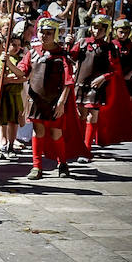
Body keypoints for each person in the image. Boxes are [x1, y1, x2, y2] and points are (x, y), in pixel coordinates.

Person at [19, 18, 89, 179]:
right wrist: (7, 62)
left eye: (49, 33)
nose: (44, 36)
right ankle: (36, 167)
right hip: (36, 100)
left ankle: (62, 163)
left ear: (55, 34)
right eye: (42, 32)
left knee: (56, 132)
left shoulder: (62, 54)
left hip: (55, 101)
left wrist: (61, 103)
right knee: (38, 131)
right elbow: (22, 72)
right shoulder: (32, 51)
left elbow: (68, 82)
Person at [70, 13, 119, 160]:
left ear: (106, 30)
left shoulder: (109, 47)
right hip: (80, 84)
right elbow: (71, 57)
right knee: (81, 116)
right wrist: (69, 43)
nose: (96, 31)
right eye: (95, 27)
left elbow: (114, 69)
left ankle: (86, 149)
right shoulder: (83, 42)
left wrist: (102, 78)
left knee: (92, 116)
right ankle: (78, 146)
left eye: (100, 28)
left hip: (96, 86)